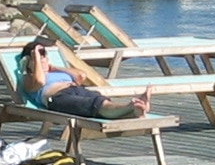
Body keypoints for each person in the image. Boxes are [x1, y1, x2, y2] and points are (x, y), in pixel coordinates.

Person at [20, 36, 150, 121]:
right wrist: (35, 57)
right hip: (58, 98)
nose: (42, 60)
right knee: (95, 105)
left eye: (44, 55)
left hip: (77, 88)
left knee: (98, 99)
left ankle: (136, 111)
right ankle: (131, 107)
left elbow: (81, 76)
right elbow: (40, 82)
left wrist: (53, 67)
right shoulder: (28, 78)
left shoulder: (55, 71)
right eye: (38, 57)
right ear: (28, 61)